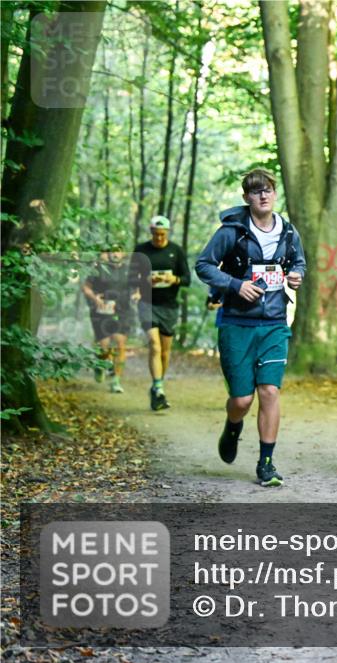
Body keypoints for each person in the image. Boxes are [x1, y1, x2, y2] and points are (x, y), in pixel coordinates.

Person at [195, 168, 306, 487]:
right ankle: (233, 426)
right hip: (236, 324)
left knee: (269, 391)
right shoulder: (232, 231)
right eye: (256, 190)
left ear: (274, 193)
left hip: (274, 323)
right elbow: (203, 265)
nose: (263, 194)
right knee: (242, 400)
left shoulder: (287, 231)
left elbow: (298, 262)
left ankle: (266, 462)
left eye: (268, 189)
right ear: (246, 197)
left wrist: (296, 275)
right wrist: (234, 284)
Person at [130, 216, 191, 410]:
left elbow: (187, 278)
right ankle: (158, 387)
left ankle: (157, 388)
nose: (158, 238)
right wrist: (140, 285)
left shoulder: (176, 251)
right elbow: (131, 277)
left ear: (168, 233)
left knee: (165, 352)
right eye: (155, 234)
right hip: (147, 304)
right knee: (155, 346)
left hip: (169, 306)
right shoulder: (141, 250)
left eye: (162, 234)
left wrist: (174, 279)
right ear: (151, 233)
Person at [82, 251, 134, 394]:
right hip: (102, 310)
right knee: (104, 346)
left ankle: (116, 380)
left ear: (124, 254)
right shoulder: (99, 268)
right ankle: (100, 364)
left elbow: (139, 287)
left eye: (119, 251)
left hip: (122, 311)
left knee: (120, 344)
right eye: (112, 251)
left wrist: (137, 294)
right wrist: (95, 299)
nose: (115, 254)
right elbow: (86, 287)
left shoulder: (130, 270)